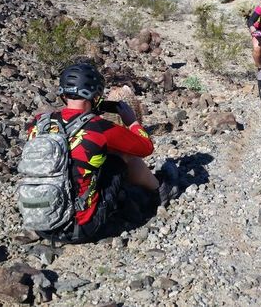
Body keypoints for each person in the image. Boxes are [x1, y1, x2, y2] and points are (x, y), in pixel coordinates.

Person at [26, 63, 176, 243]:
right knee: (122, 156)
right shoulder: (98, 127)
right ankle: (159, 191)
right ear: (95, 95)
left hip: (39, 222)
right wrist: (132, 122)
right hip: (78, 228)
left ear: (63, 94)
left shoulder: (39, 123)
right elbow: (145, 147)